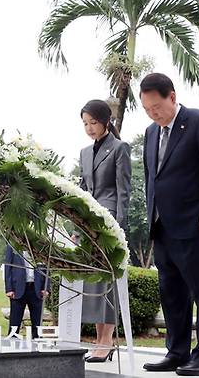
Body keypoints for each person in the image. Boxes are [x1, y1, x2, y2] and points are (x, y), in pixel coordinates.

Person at [140, 73, 199, 376]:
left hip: (196, 224)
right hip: (162, 226)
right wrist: (151, 216)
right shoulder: (151, 133)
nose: (153, 113)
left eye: (157, 107)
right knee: (172, 293)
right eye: (147, 109)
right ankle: (176, 352)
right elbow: (152, 178)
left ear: (172, 97)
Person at [78, 99, 131, 363]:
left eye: (93, 122)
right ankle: (99, 341)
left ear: (106, 121)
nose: (89, 128)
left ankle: (106, 342)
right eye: (85, 124)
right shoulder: (84, 153)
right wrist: (77, 224)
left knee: (107, 283)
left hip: (110, 224)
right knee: (94, 283)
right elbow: (82, 191)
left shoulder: (120, 148)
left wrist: (119, 228)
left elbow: (123, 191)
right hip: (88, 225)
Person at [4, 245, 50, 339]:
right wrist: (9, 288)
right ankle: (11, 348)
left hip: (36, 288)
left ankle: (37, 348)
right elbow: (8, 266)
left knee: (37, 323)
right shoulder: (12, 245)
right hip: (18, 289)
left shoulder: (39, 245)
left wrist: (46, 287)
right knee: (14, 323)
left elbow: (47, 266)